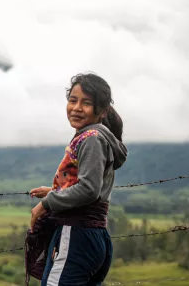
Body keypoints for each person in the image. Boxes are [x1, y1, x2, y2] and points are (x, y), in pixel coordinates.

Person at [25, 72, 128, 286]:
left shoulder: (91, 139)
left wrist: (47, 203)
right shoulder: (92, 136)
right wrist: (54, 191)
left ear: (102, 111)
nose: (77, 107)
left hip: (76, 234)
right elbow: (85, 185)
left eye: (86, 103)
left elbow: (89, 189)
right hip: (92, 235)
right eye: (73, 100)